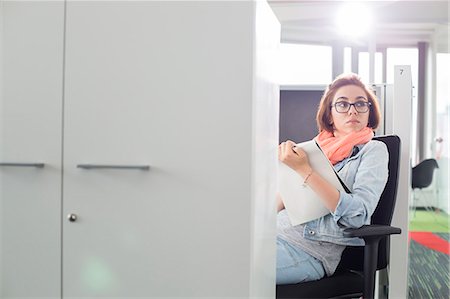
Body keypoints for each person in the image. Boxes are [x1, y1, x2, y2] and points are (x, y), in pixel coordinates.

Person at [276, 73, 389, 285]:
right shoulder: (312, 148)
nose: (353, 110)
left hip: (308, 251)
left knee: (230, 270)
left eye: (360, 104)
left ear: (369, 111)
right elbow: (282, 201)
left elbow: (357, 215)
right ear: (329, 115)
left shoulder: (373, 150)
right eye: (343, 104)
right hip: (274, 234)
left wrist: (306, 172)